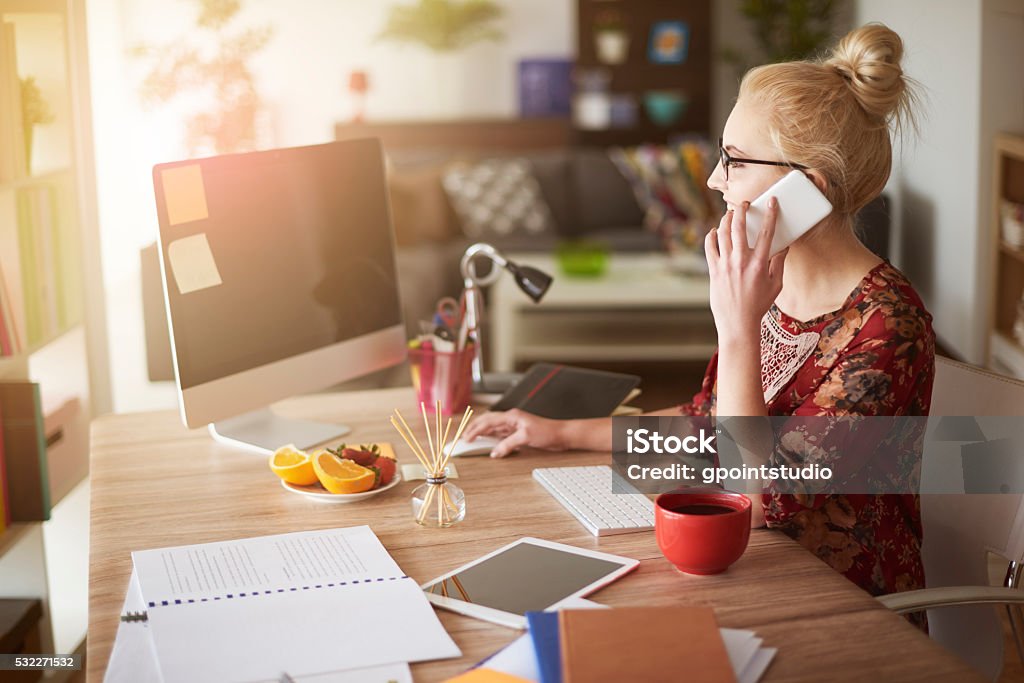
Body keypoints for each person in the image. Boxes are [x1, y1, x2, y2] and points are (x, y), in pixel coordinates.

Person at [463, 22, 934, 606]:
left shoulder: (888, 324)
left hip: (839, 604)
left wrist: (738, 331)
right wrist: (558, 434)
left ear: (806, 188)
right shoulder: (768, 284)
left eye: (734, 161)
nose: (714, 180)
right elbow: (706, 423)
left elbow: (757, 498)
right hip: (751, 574)